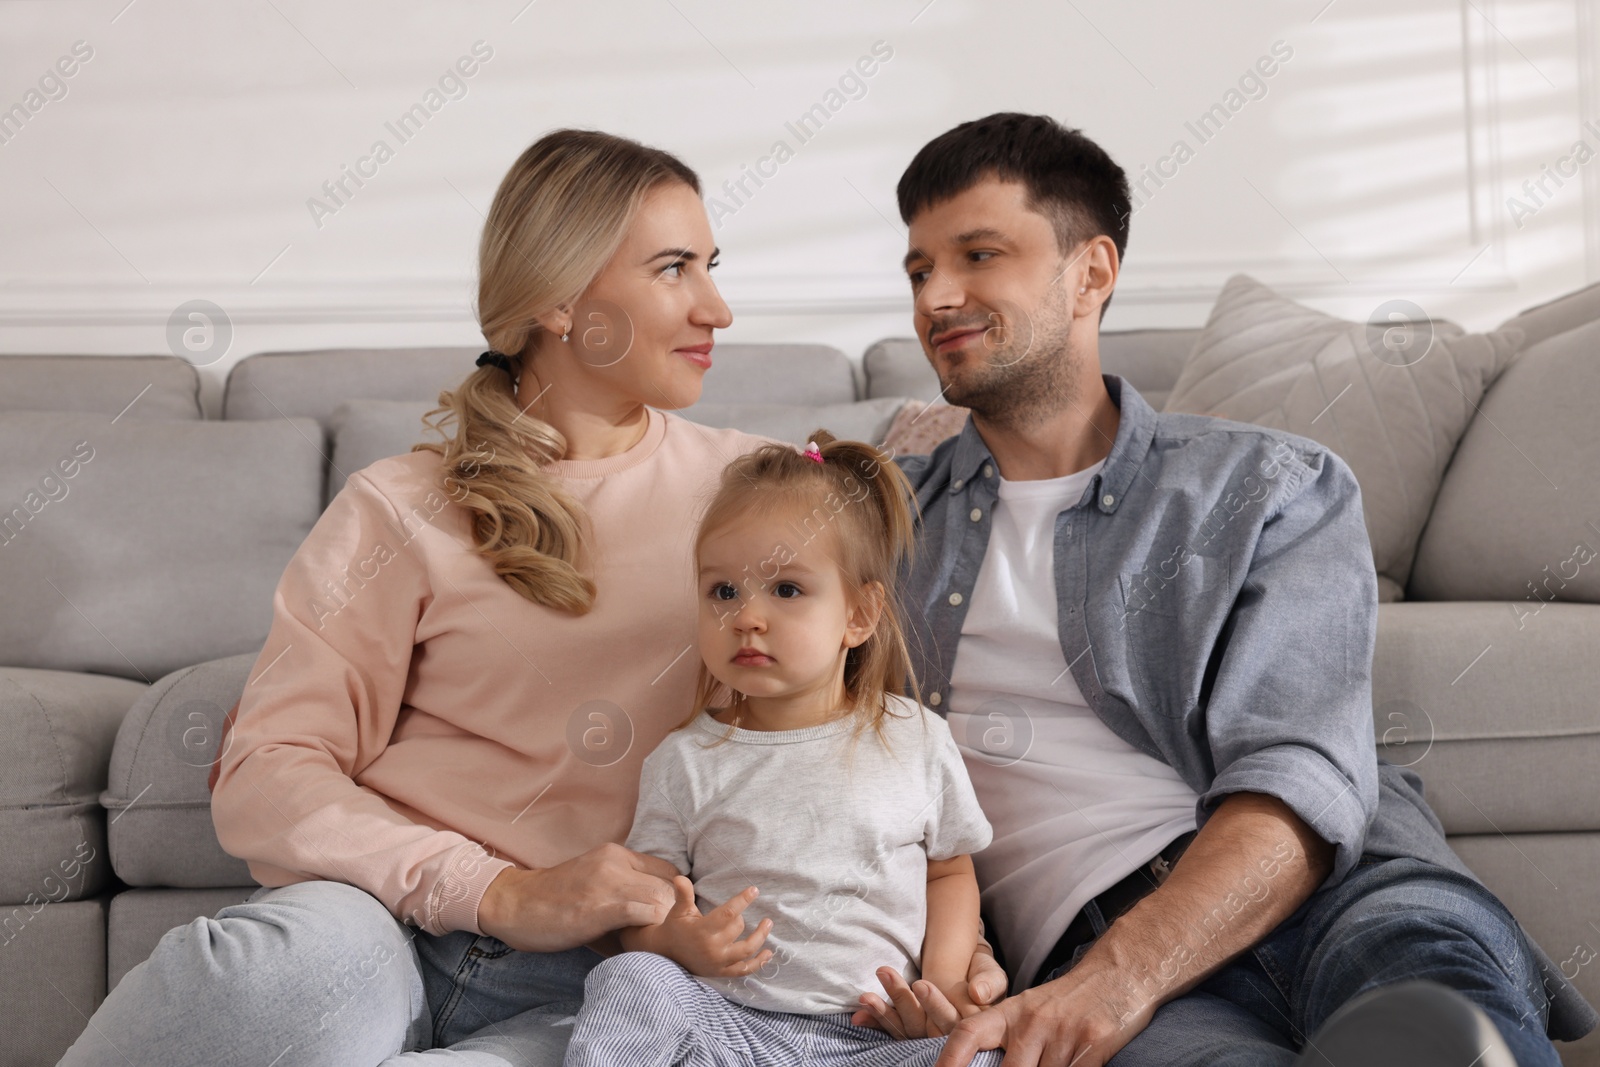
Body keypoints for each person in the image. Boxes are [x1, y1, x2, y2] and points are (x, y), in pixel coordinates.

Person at [55, 130, 1006, 1067]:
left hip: (609, 978)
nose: (717, 305)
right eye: (674, 268)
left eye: (712, 265)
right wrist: (498, 890)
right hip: (379, 923)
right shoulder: (400, 504)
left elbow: (856, 746)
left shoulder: (752, 503)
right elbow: (267, 767)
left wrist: (949, 957)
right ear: (559, 298)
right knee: (262, 988)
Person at [854, 112, 1599, 1067]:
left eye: (978, 254)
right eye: (919, 269)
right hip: (1089, 954)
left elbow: (1298, 773)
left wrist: (1119, 977)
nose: (936, 297)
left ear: (1092, 271)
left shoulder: (1269, 485)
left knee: (1432, 1017)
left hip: (1343, 890)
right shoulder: (879, 522)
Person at [563, 432, 1004, 1067]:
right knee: (630, 983)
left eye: (787, 590)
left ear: (858, 614)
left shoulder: (913, 736)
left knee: (976, 1058)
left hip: (870, 1034)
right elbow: (643, 905)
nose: (747, 617)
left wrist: (943, 988)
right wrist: (673, 942)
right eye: (723, 592)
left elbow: (950, 870)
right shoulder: (685, 760)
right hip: (728, 1025)